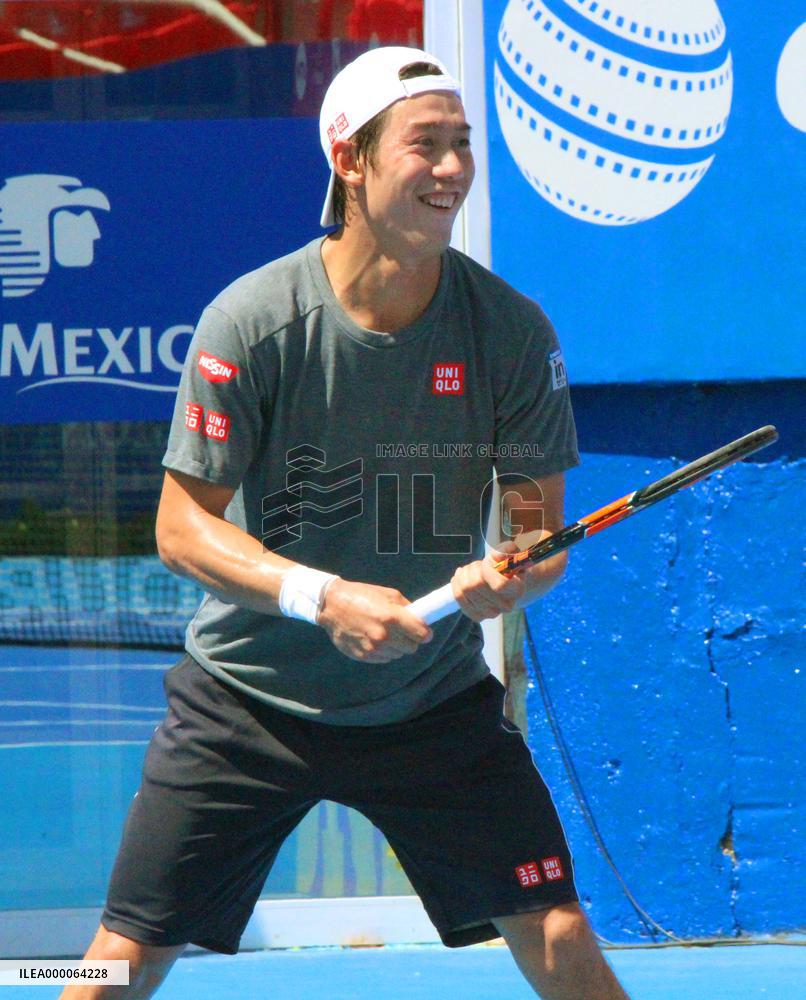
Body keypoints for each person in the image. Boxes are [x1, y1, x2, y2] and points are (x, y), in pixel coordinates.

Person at [62, 47, 630, 1000]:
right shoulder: (250, 322)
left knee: (556, 924)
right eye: (425, 145)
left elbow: (537, 533)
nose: (451, 167)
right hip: (247, 701)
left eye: (461, 144)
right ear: (351, 161)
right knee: (121, 958)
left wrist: (512, 574)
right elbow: (181, 529)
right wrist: (320, 597)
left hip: (433, 705)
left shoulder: (514, 333)